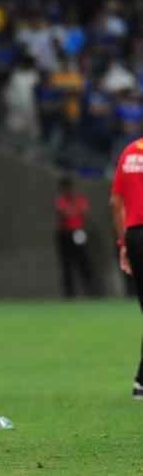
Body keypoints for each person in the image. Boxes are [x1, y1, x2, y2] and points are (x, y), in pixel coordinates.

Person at [110, 137, 143, 397]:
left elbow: (116, 203)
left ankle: (142, 379)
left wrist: (123, 244)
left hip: (135, 236)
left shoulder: (130, 152)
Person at [55, 176, 94, 298]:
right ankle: (69, 294)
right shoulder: (60, 200)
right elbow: (63, 214)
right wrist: (73, 212)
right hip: (65, 234)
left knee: (84, 262)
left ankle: (90, 291)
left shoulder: (80, 199)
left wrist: (72, 212)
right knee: (66, 265)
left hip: (78, 233)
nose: (67, 191)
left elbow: (85, 213)